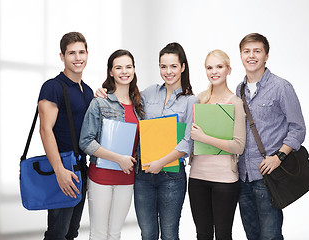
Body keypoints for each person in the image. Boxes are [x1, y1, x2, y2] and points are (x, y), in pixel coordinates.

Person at [236, 33, 306, 240]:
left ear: (266, 56)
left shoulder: (281, 87)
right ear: (240, 56)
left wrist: (279, 157)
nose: (251, 56)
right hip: (243, 176)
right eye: (247, 51)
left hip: (268, 176)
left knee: (270, 236)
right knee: (252, 235)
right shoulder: (239, 90)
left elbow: (298, 129)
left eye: (257, 51)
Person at [134, 42, 199, 240]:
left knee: (169, 235)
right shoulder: (148, 92)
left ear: (182, 67)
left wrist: (160, 163)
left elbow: (188, 142)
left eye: (173, 66)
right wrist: (103, 91)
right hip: (143, 174)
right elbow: (126, 104)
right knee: (147, 234)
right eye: (163, 66)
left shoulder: (191, 101)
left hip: (172, 176)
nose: (168, 71)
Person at [79, 49, 144, 240]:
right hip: (101, 177)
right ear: (111, 72)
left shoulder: (140, 105)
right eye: (118, 67)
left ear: (133, 70)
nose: (124, 72)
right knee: (99, 234)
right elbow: (85, 141)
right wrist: (119, 159)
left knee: (115, 234)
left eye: (128, 67)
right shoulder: (100, 102)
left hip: (127, 177)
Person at [38, 32, 94, 240]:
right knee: (57, 233)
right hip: (62, 167)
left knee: (71, 232)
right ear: (62, 56)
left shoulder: (87, 91)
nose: (77, 58)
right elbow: (45, 130)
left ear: (88, 54)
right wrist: (59, 170)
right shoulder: (52, 87)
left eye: (81, 52)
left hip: (81, 168)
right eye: (72, 53)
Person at [188, 49, 246, 240]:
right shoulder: (200, 100)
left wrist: (204, 137)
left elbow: (238, 146)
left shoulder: (235, 103)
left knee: (222, 235)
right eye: (209, 67)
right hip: (197, 178)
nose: (214, 71)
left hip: (225, 180)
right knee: (202, 235)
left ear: (228, 70)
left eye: (219, 67)